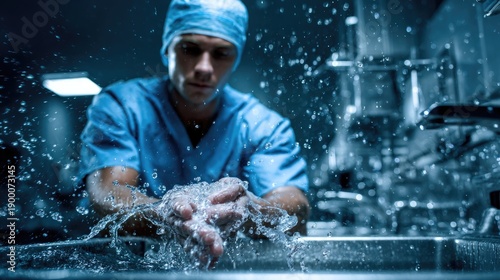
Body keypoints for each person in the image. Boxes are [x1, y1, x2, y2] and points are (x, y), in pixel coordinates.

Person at [78, 0, 309, 267]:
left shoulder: (263, 125)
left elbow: (294, 206)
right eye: (190, 49)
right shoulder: (122, 107)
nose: (204, 67)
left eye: (221, 54)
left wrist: (250, 210)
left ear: (236, 59)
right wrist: (164, 213)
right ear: (167, 48)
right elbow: (109, 193)